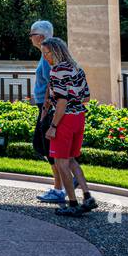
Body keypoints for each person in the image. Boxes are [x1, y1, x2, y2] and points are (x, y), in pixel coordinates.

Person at [41, 37, 97, 216]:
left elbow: (63, 102)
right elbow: (86, 97)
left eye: (46, 53)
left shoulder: (57, 71)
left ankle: (73, 204)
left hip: (64, 119)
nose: (45, 57)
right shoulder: (76, 69)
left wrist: (53, 126)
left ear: (55, 52)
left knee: (61, 162)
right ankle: (87, 197)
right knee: (72, 159)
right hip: (79, 117)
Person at [29, 18, 74, 204]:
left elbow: (53, 84)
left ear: (40, 37)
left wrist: (46, 109)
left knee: (47, 147)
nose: (30, 38)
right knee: (44, 146)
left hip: (47, 107)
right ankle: (64, 183)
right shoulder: (47, 53)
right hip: (47, 106)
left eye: (32, 34)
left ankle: (59, 188)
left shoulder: (48, 56)